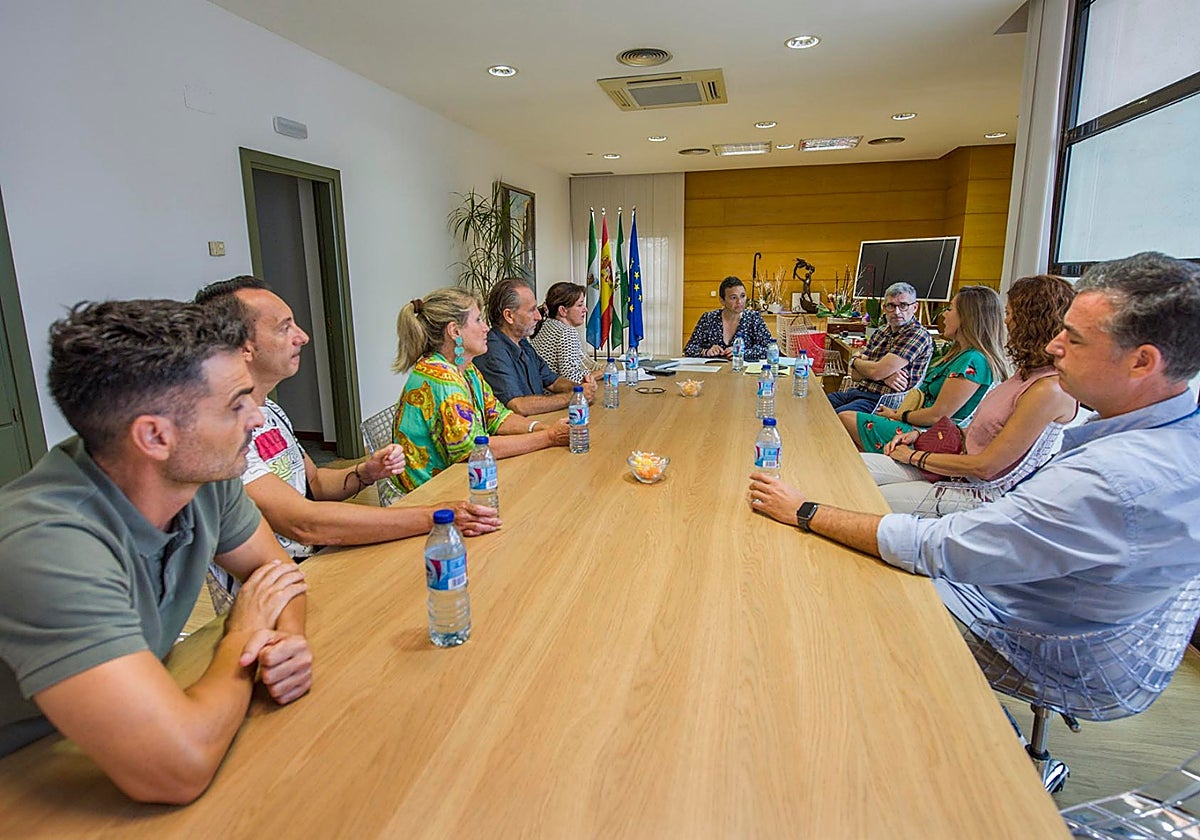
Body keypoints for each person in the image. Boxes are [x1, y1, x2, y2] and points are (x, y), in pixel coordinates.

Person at [749, 251, 1200, 635]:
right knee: (851, 496)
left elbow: (945, 546)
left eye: (1075, 338)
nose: (1056, 345)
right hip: (1012, 592)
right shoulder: (1155, 439)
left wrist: (807, 512)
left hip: (1011, 623)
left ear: (1142, 362)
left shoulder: (1113, 474)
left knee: (835, 568)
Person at [0, 299, 311, 803]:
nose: (256, 419)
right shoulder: (46, 547)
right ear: (154, 437)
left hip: (118, 736)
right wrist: (246, 633)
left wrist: (284, 644)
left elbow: (276, 574)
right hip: (30, 780)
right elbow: (178, 769)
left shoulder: (202, 475)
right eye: (236, 404)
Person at [193, 278, 501, 605]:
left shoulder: (269, 410)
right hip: (281, 593)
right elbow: (305, 523)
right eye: (284, 328)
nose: (303, 336)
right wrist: (433, 515)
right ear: (243, 347)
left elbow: (313, 482)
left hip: (319, 563)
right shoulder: (221, 434)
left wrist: (366, 472)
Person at [863, 275, 1078, 513]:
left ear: (1030, 321)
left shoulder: (1049, 389)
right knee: (850, 469)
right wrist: (916, 437)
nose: (1005, 321)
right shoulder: (1025, 376)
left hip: (977, 491)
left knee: (865, 498)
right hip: (952, 467)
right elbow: (982, 433)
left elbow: (986, 466)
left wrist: (914, 457)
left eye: (1010, 313)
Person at [392, 287, 571, 493]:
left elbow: (498, 416)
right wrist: (548, 437)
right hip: (432, 495)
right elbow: (475, 450)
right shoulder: (441, 379)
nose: (486, 328)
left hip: (463, 477)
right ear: (454, 331)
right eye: (478, 320)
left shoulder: (466, 369)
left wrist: (542, 428)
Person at [841, 285, 1009, 452]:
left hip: (928, 435)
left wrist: (896, 415)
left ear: (968, 317)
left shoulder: (973, 361)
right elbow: (869, 373)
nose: (944, 314)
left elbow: (937, 415)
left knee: (843, 420)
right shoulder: (958, 354)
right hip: (910, 420)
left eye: (950, 309)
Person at [473, 277, 597, 414]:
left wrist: (580, 388)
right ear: (509, 316)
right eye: (532, 310)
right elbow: (518, 405)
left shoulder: (522, 342)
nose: (538, 316)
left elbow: (552, 381)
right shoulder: (493, 351)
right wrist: (575, 396)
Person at [828, 282, 934, 413]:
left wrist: (856, 362)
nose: (897, 312)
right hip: (858, 392)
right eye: (891, 306)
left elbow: (875, 372)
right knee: (816, 404)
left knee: (834, 420)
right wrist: (884, 375)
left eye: (903, 305)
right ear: (884, 308)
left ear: (915, 307)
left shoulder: (917, 335)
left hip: (883, 402)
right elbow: (855, 375)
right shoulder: (881, 331)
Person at [683, 276, 774, 360]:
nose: (739, 301)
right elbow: (689, 348)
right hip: (712, 373)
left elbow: (770, 348)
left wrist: (743, 352)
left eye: (742, 296)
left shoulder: (753, 318)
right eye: (733, 298)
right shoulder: (709, 318)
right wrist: (706, 352)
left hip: (742, 372)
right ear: (722, 301)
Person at [530, 281, 598, 382]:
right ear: (563, 310)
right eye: (580, 305)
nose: (585, 309)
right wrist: (601, 373)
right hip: (555, 395)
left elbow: (585, 363)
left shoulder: (546, 324)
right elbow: (570, 377)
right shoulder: (566, 332)